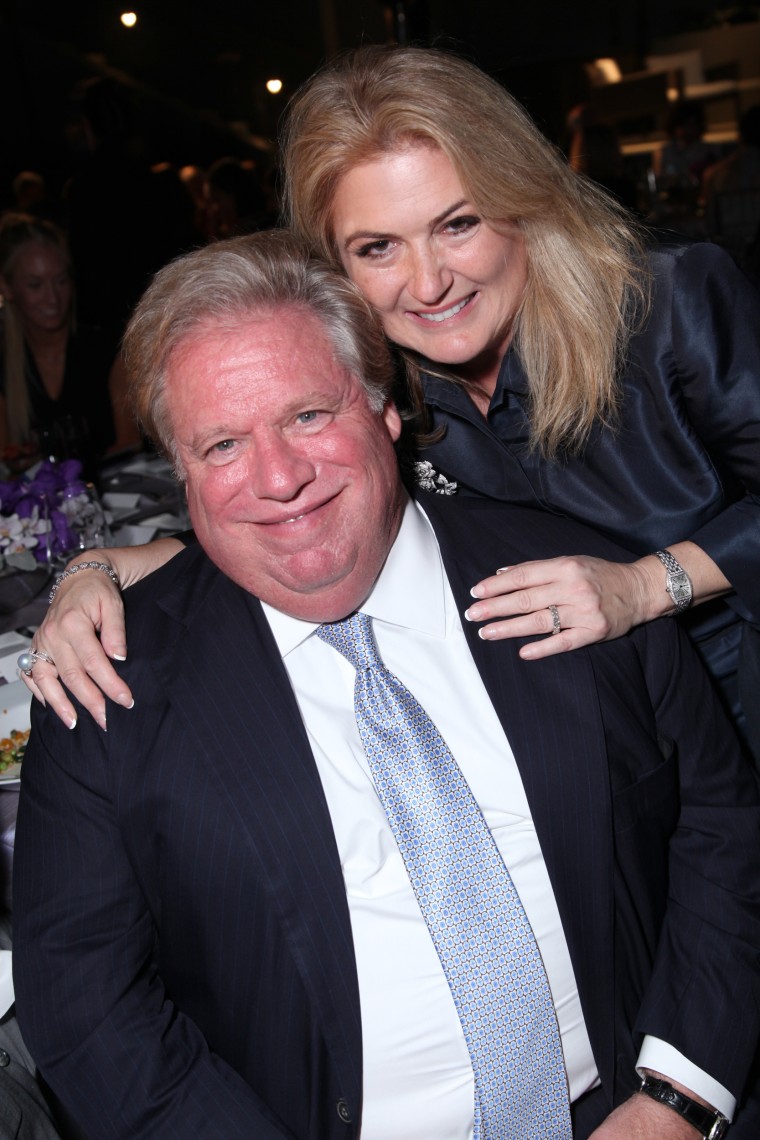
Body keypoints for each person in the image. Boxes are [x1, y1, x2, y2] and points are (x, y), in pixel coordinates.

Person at [12, 232, 760, 1139]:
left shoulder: (576, 586)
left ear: (386, 411)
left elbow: (725, 832)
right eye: (222, 443)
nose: (280, 479)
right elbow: (86, 1001)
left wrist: (676, 1094)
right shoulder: (104, 685)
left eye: (307, 416)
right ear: (181, 470)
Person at [21, 45, 760, 761]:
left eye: (457, 224)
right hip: (587, 724)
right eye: (378, 248)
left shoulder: (670, 302)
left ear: (526, 203)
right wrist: (93, 572)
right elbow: (291, 507)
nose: (429, 283)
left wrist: (644, 586)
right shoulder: (381, 375)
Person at [0, 214, 139, 469]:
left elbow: (130, 446)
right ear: (7, 288)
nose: (52, 298)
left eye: (61, 281)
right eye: (35, 285)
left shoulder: (106, 351)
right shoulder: (5, 362)